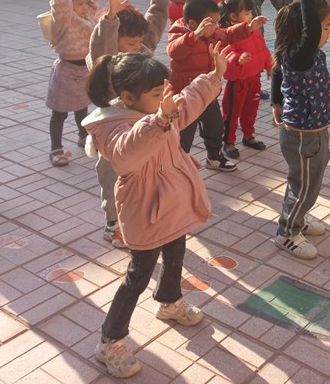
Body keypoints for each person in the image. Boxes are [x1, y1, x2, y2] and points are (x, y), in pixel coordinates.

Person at [83, 47, 229, 378]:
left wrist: (214, 76)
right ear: (127, 97)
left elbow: (187, 102)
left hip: (173, 202)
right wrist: (160, 120)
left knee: (176, 253)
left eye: (165, 90)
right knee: (138, 274)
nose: (165, 98)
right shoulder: (111, 127)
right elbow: (127, 154)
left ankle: (169, 301)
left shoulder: (159, 109)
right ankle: (110, 341)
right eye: (156, 94)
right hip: (145, 209)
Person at [87, 0, 171, 249]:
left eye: (138, 42)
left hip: (140, 130)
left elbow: (154, 25)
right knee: (112, 177)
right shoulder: (106, 62)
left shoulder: (141, 51)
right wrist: (109, 20)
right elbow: (101, 47)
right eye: (130, 43)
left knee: (143, 175)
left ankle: (143, 215)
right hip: (113, 134)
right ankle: (113, 224)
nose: (137, 48)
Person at [270, 0, 330, 259]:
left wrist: (276, 102)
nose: (328, 33)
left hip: (315, 133)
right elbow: (310, 35)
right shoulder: (300, 55)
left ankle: (299, 218)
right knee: (303, 186)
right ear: (306, 30)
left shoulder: (305, 54)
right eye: (325, 27)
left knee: (309, 184)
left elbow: (276, 74)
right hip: (303, 137)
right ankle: (287, 233)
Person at [167, 0, 266, 171]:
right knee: (184, 133)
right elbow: (174, 51)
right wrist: (194, 36)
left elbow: (228, 34)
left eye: (216, 22)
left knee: (215, 128)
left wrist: (248, 27)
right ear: (192, 24)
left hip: (208, 92)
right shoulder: (179, 32)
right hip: (185, 97)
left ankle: (214, 157)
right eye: (211, 23)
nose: (215, 27)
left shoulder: (214, 33)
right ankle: (177, 166)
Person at [46, 0, 99, 166]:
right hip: (66, 71)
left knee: (82, 108)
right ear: (69, 5)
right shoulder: (64, 20)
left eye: (86, 3)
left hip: (85, 69)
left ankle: (83, 135)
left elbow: (93, 4)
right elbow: (60, 6)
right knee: (59, 113)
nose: (85, 7)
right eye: (80, 4)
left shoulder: (88, 19)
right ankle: (56, 148)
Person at [219, 0, 272, 159]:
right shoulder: (228, 34)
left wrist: (269, 65)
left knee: (251, 110)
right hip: (238, 82)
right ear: (233, 16)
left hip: (254, 79)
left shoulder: (254, 31)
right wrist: (238, 59)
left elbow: (262, 48)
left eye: (251, 13)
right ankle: (228, 142)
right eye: (247, 13)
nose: (250, 16)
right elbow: (225, 55)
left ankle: (248, 136)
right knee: (232, 113)